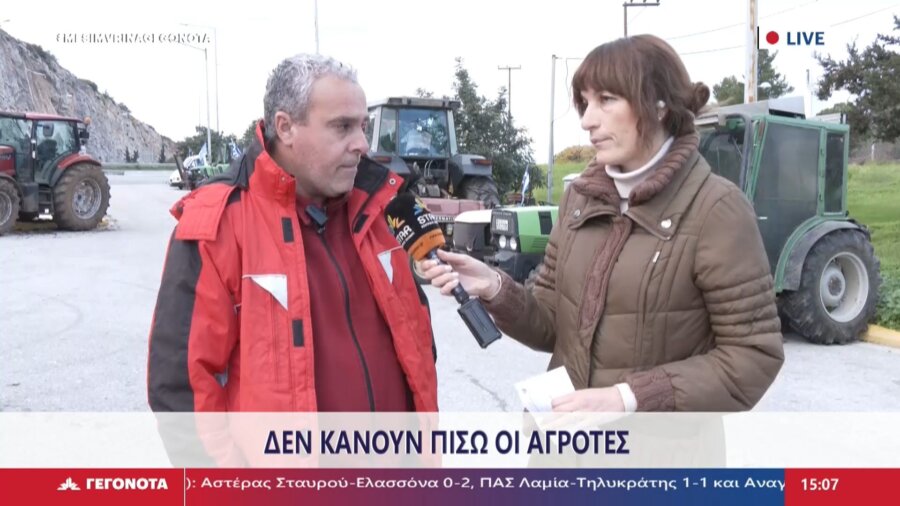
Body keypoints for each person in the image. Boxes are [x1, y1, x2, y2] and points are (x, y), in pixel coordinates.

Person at [421, 35, 784, 412]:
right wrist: (494, 286)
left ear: (659, 105)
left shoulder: (717, 209)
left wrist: (628, 398)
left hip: (656, 448)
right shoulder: (579, 199)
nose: (587, 120)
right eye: (585, 103)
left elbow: (752, 356)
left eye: (607, 100)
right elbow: (553, 325)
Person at [148, 54, 438, 416]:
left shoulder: (379, 207)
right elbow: (182, 391)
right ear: (285, 128)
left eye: (363, 126)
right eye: (342, 127)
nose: (362, 144)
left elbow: (417, 341)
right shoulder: (217, 225)